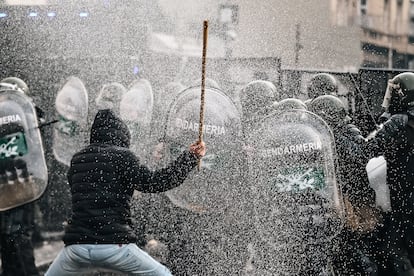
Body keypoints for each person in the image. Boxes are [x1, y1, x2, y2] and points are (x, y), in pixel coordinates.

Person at [45, 109, 206, 276]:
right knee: (163, 274)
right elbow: (157, 182)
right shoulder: (123, 157)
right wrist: (190, 158)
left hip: (76, 248)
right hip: (114, 246)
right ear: (122, 135)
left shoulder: (77, 159)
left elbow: (80, 190)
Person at [308, 95, 380, 275]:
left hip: (352, 201)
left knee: (354, 250)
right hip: (343, 199)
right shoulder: (338, 133)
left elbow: (357, 159)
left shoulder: (343, 134)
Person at [364, 72, 414, 276]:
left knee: (392, 251)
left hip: (406, 201)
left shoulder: (399, 123)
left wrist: (385, 121)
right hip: (405, 198)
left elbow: (368, 148)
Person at [0, 77, 41, 276]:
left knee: (10, 239)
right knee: (20, 237)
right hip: (22, 183)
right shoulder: (23, 114)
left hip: (7, 184)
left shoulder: (19, 113)